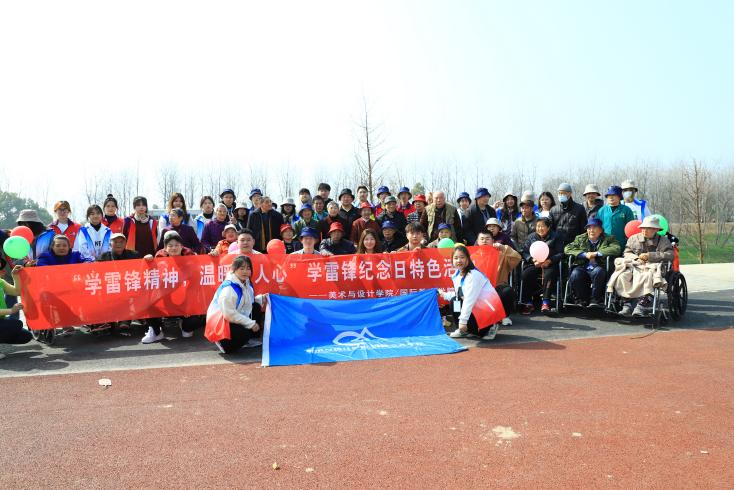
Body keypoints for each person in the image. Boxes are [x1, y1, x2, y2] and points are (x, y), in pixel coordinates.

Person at [141, 231, 200, 343]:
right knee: (147, 304)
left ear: (182, 246)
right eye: (170, 245)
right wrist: (148, 261)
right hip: (165, 298)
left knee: (193, 323)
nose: (174, 248)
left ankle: (185, 326)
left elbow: (196, 280)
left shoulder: (190, 256)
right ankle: (156, 331)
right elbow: (151, 277)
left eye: (177, 245)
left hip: (185, 298)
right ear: (165, 248)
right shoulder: (159, 257)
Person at [610, 216, 674, 317]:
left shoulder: (663, 240)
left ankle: (641, 306)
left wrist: (650, 256)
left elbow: (670, 255)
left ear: (656, 229)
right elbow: (627, 252)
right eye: (643, 228)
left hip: (653, 267)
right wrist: (636, 258)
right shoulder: (633, 238)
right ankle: (626, 304)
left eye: (648, 228)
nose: (644, 230)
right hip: (635, 265)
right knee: (622, 276)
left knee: (648, 276)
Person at [207, 255, 267, 354]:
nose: (245, 271)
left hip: (231, 315)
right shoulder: (229, 289)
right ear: (234, 269)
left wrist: (261, 299)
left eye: (248, 268)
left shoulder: (246, 282)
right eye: (241, 268)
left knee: (256, 307)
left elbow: (247, 302)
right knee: (243, 334)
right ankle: (224, 344)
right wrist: (250, 323)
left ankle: (248, 340)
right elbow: (229, 315)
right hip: (221, 322)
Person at [439, 245, 500, 340]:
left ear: (468, 259)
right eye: (456, 258)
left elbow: (469, 299)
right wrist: (443, 294)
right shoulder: (457, 275)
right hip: (475, 309)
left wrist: (463, 321)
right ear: (452, 260)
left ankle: (491, 326)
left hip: (485, 311)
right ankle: (465, 331)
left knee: (480, 334)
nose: (459, 260)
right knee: (455, 301)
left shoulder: (473, 275)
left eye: (462, 257)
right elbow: (459, 294)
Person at [564, 218, 622, 307]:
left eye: (594, 227)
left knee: (598, 272)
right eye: (589, 228)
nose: (591, 230)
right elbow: (567, 249)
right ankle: (582, 299)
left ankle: (595, 299)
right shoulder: (580, 238)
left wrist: (596, 254)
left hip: (599, 265)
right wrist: (584, 254)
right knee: (575, 274)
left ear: (601, 230)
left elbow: (616, 249)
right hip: (583, 265)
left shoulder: (609, 238)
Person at [96, 233, 140, 335]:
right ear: (110, 244)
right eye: (115, 242)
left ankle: (125, 320)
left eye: (121, 242)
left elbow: (142, 268)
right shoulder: (103, 257)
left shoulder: (134, 255)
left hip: (128, 285)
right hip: (110, 286)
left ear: (125, 243)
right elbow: (97, 273)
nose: (118, 244)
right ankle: (108, 321)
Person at [519, 217, 565, 315]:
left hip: (549, 263)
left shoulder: (556, 237)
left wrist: (550, 261)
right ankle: (528, 302)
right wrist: (532, 260)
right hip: (535, 263)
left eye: (542, 226)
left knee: (549, 274)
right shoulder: (531, 237)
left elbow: (561, 253)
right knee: (526, 274)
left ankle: (546, 302)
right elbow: (524, 252)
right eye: (538, 226)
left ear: (548, 227)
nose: (540, 228)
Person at [475, 230, 520, 327]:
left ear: (493, 241)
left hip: (497, 287)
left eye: (487, 239)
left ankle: (504, 316)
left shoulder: (501, 254)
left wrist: (504, 247)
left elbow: (517, 258)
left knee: (507, 291)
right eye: (482, 239)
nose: (484, 241)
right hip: (479, 290)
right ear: (477, 242)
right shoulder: (472, 257)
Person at [0, 263, 33, 352]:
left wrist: (15, 276)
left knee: (26, 336)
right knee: (16, 324)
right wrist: (11, 311)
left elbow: (17, 292)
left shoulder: (1, 282)